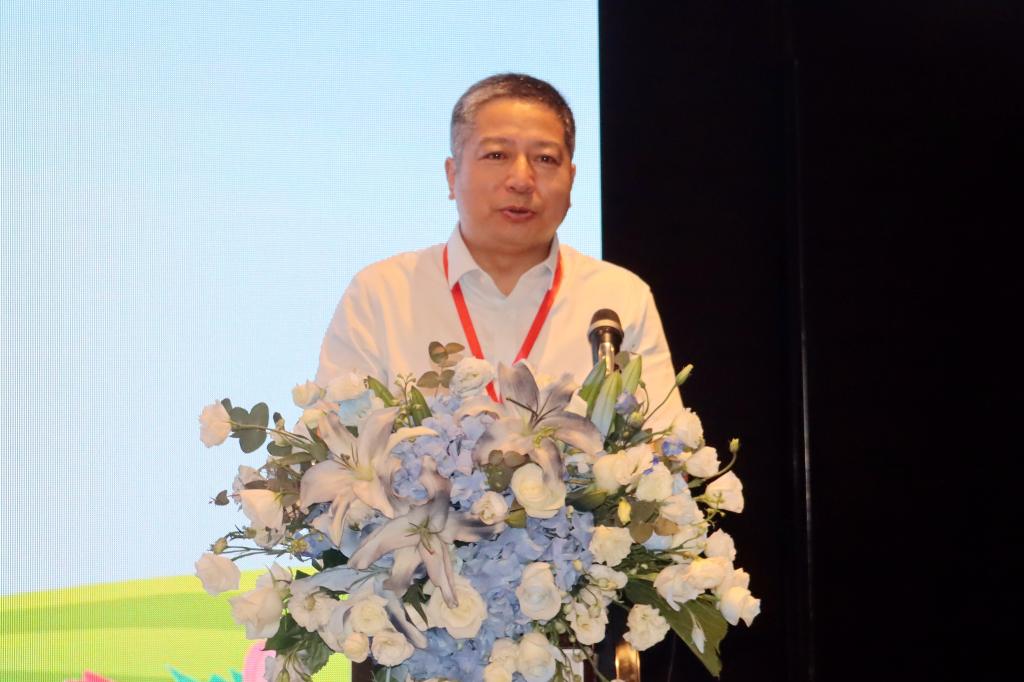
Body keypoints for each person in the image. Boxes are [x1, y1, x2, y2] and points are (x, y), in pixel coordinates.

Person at [316, 73, 683, 430]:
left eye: (545, 159)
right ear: (452, 175)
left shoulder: (618, 297)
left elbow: (663, 450)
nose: (521, 180)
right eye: (496, 155)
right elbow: (332, 446)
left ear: (571, 180)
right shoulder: (380, 295)